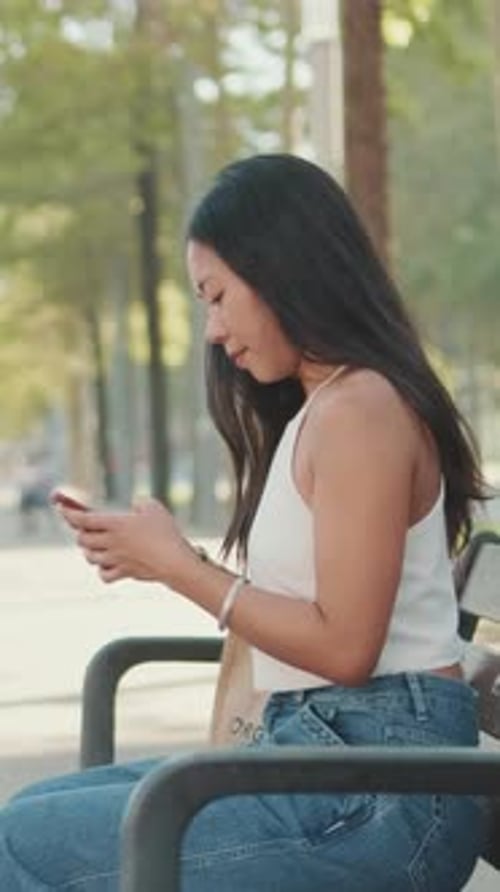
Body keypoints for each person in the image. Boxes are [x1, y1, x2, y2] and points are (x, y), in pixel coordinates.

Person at [0, 153, 491, 891]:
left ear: (282, 272)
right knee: (32, 815)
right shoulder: (325, 407)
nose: (212, 330)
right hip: (330, 758)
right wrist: (164, 557)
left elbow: (347, 648)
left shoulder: (362, 412)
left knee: (21, 846)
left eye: (218, 296)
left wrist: (181, 569)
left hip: (380, 799)